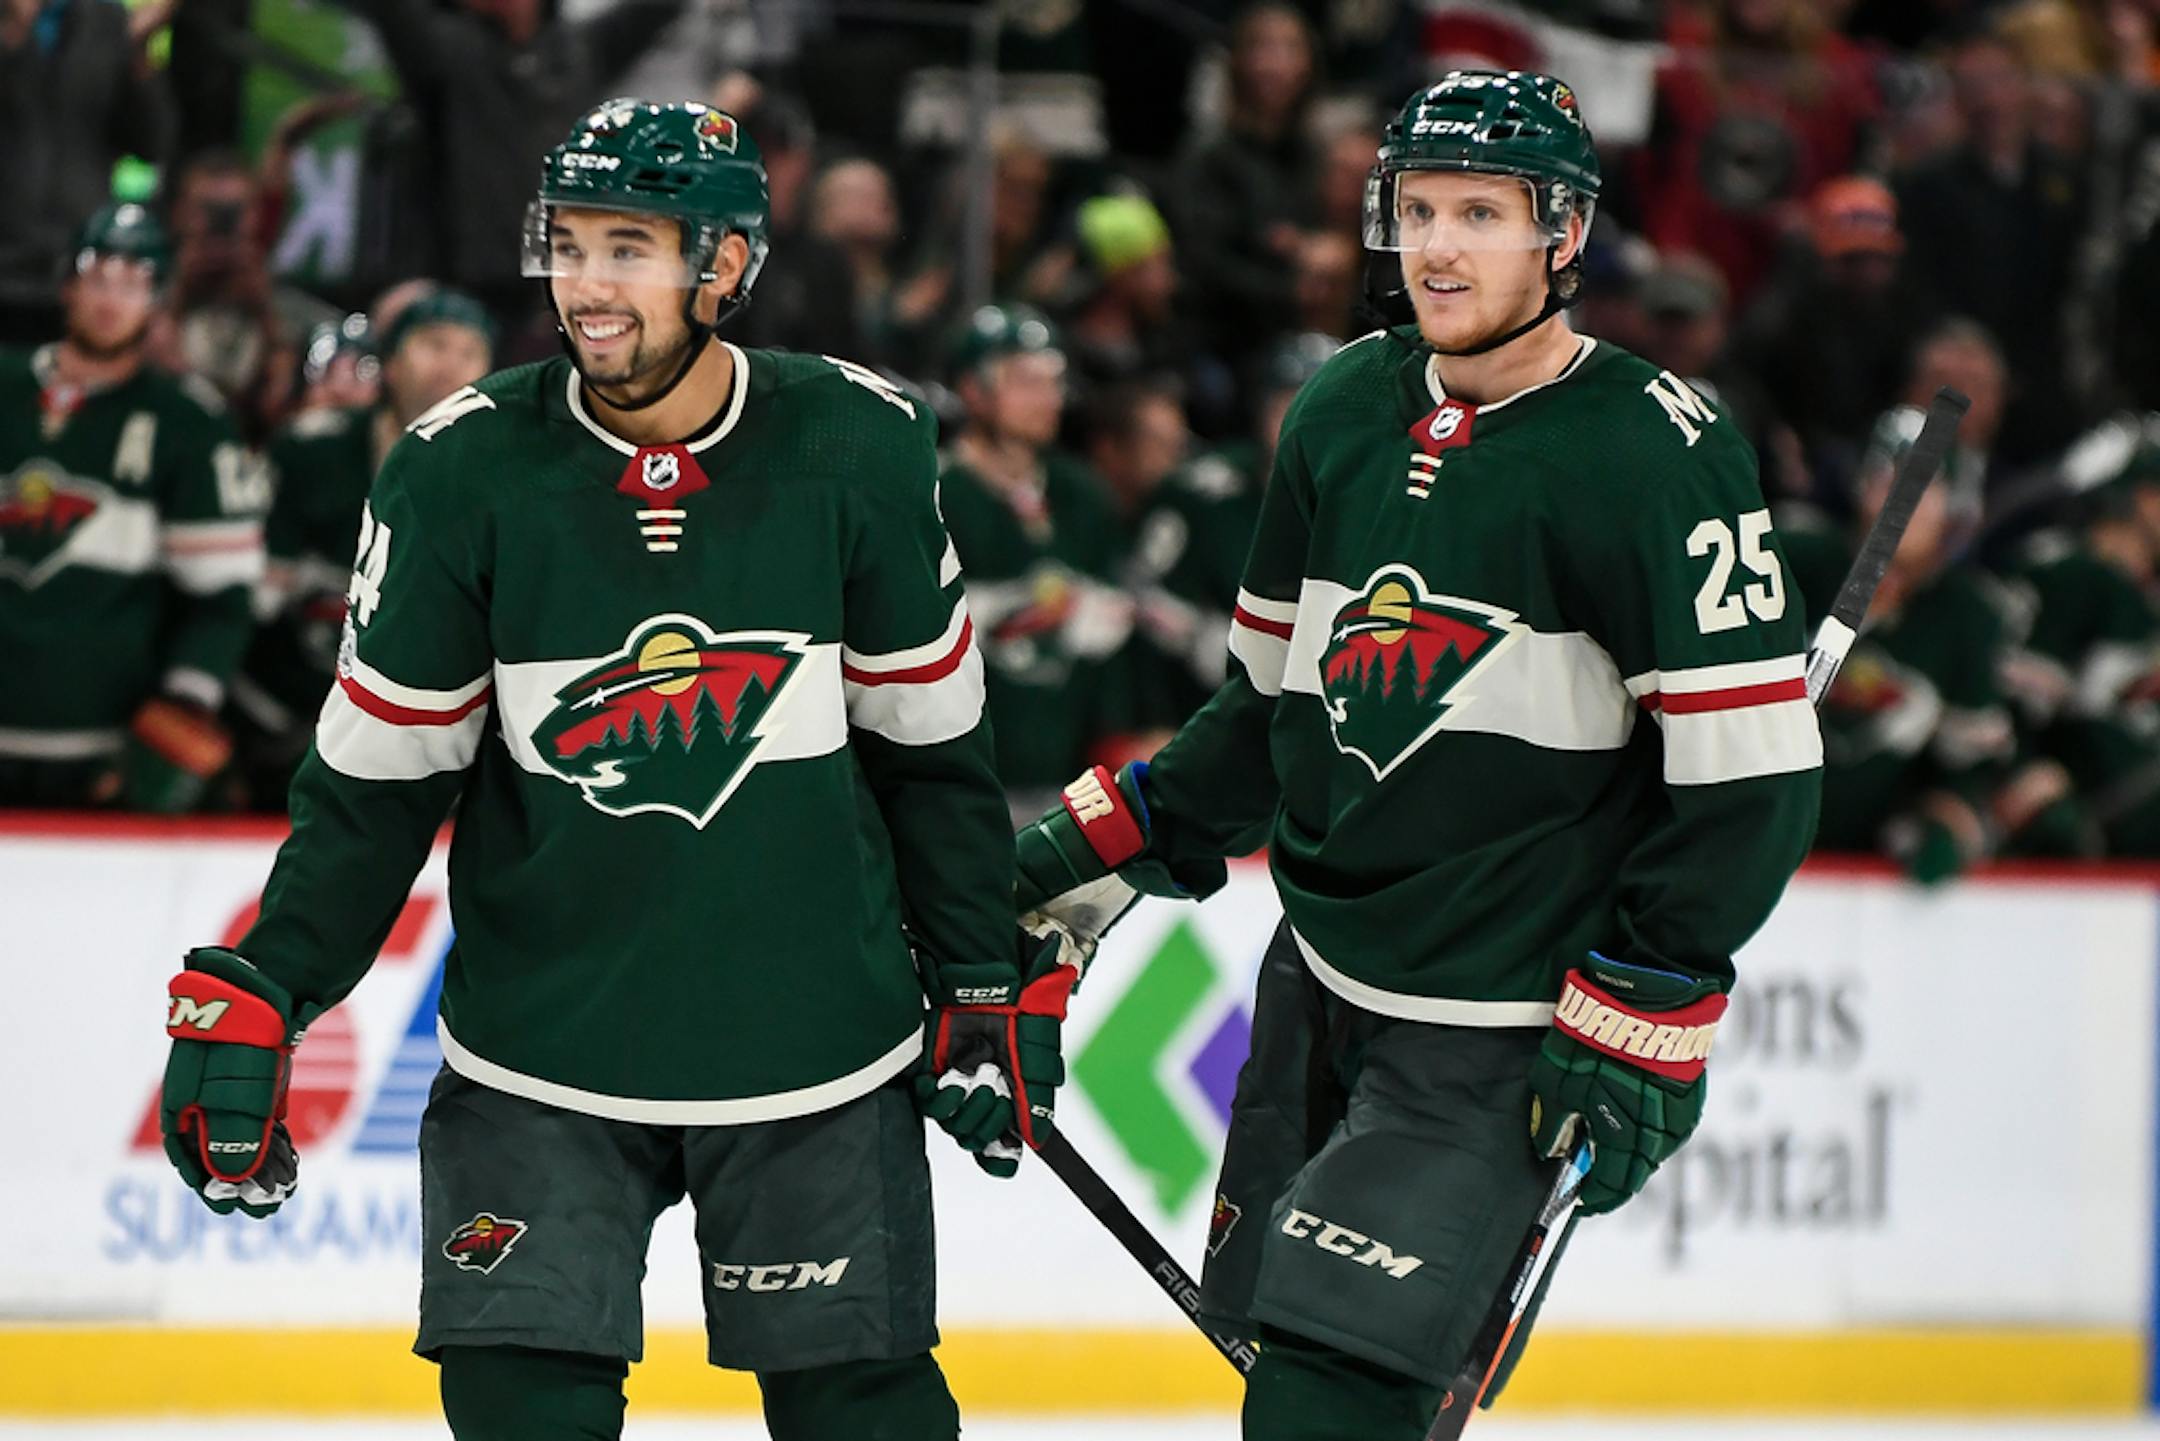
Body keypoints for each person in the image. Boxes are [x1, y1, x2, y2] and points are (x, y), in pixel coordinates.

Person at [154, 99, 1071, 1441]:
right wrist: (268, 982)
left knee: (866, 1414)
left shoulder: (856, 447)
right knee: (521, 1409)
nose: (585, 284)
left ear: (725, 266)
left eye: (628, 247)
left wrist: (979, 972)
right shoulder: (461, 471)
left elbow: (931, 759)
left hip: (811, 1044)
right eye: (571, 243)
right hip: (542, 1054)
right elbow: (376, 786)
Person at [1012, 72, 1822, 1438]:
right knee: (1302, 1380)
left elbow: (1751, 776)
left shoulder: (1649, 448)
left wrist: (1656, 986)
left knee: (1325, 1407)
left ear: (1564, 236)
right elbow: (1270, 716)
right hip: (1318, 983)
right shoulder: (1338, 410)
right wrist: (1072, 866)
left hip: (1494, 1032)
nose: (1437, 247)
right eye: (1418, 210)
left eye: (1482, 214)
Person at [0, 204, 264, 811]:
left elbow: (223, 600)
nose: (111, 300)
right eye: (98, 277)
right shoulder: (6, 391)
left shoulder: (190, 424)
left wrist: (184, 704)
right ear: (68, 285)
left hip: (97, 759)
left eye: (134, 283)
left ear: (157, 303)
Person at [230, 289, 496, 807]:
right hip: (281, 725)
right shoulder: (310, 451)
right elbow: (243, 605)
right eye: (434, 345)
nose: (450, 366)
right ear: (390, 364)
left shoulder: (507, 482)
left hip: (429, 747)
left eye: (469, 352)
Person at [936, 302, 1136, 808]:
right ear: (972, 389)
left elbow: (1116, 632)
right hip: (959, 791)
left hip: (1068, 788)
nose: (1047, 398)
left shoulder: (1081, 494)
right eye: (1025, 381)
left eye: (1053, 381)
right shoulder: (933, 495)